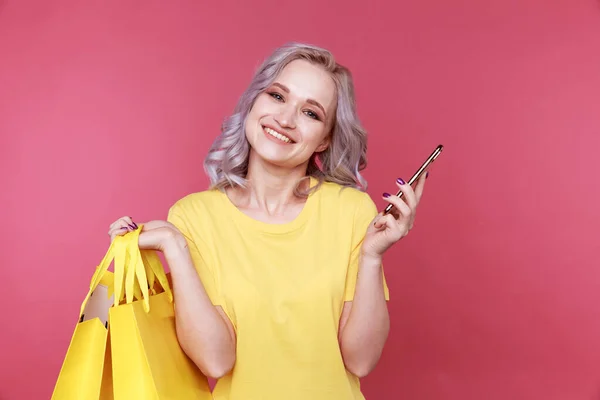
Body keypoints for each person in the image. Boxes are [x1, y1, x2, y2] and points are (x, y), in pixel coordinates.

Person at [107, 42, 428, 400]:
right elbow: (216, 361)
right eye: (277, 96)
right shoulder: (194, 216)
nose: (286, 119)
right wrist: (175, 247)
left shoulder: (350, 211)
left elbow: (361, 361)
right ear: (253, 102)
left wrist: (372, 257)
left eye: (311, 113)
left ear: (324, 140)